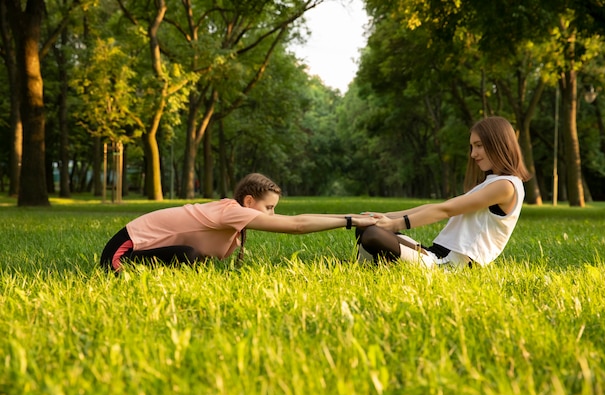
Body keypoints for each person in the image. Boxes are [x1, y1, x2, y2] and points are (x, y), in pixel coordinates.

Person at [100, 173, 377, 272]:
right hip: (120, 251)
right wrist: (350, 221)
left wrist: (352, 218)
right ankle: (136, 269)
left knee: (192, 258)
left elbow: (293, 220)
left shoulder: (233, 213)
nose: (271, 215)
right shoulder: (231, 212)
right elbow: (297, 225)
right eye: (268, 208)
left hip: (139, 245)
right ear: (248, 201)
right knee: (189, 256)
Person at [356, 116, 532, 268]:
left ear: (498, 143)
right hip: (435, 254)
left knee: (373, 234)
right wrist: (387, 217)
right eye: (472, 147)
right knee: (367, 227)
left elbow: (445, 210)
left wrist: (395, 225)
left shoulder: (506, 186)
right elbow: (439, 206)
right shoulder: (493, 182)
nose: (473, 154)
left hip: (451, 266)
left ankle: (371, 265)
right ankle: (367, 266)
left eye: (478, 146)